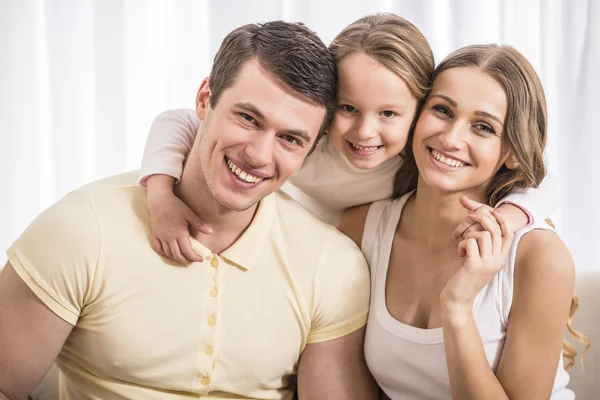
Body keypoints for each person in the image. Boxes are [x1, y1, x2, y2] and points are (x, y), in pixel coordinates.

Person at [0, 21, 378, 400]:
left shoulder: (332, 266)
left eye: (291, 139)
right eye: (247, 118)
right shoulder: (81, 230)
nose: (259, 155)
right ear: (204, 99)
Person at [139, 13, 559, 265]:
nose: (365, 132)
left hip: (348, 268)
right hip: (280, 254)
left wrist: (509, 218)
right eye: (347, 108)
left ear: (419, 113)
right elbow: (178, 120)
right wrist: (161, 196)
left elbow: (539, 181)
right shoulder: (298, 141)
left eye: (389, 114)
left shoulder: (417, 161)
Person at [338, 44, 588, 399]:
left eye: (483, 127)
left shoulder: (539, 257)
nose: (451, 138)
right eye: (442, 110)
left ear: (514, 152)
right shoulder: (359, 229)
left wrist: (457, 308)